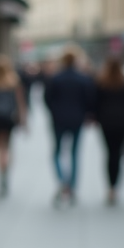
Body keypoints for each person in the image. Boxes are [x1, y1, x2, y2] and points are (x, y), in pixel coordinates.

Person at [44, 47, 95, 205]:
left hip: (59, 119)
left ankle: (62, 180)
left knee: (57, 151)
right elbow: (89, 100)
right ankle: (71, 186)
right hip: (76, 119)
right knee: (74, 153)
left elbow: (47, 99)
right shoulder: (83, 78)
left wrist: (54, 111)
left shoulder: (56, 78)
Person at [95, 56, 124, 205]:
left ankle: (110, 188)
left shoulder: (101, 84)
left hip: (106, 123)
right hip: (121, 123)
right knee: (117, 155)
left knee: (109, 154)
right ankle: (115, 187)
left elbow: (95, 104)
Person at [0, 54, 27, 196]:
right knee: (8, 147)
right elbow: (20, 102)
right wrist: (23, 119)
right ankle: (6, 171)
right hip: (9, 118)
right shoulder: (13, 81)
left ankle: (0, 172)